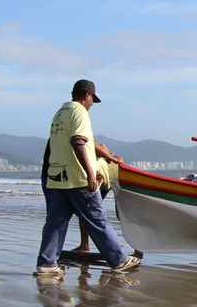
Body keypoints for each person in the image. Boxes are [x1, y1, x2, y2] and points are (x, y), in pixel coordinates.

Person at [36, 79, 140, 276]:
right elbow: (79, 141)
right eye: (92, 99)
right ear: (87, 95)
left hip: (57, 179)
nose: (92, 104)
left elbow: (77, 143)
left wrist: (107, 156)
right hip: (78, 178)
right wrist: (91, 174)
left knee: (56, 222)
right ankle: (119, 261)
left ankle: (46, 264)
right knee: (97, 219)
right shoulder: (80, 112)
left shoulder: (60, 113)